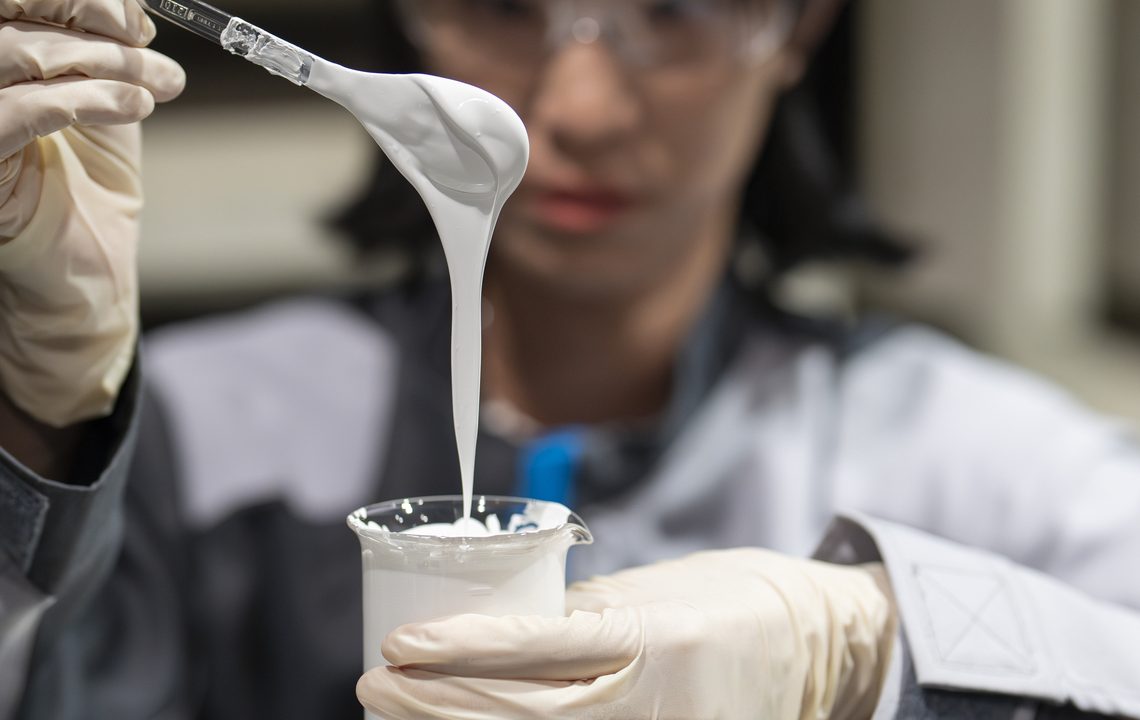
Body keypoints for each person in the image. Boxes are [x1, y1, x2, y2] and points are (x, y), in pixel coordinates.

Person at [0, 0, 1138, 718]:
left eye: (674, 11)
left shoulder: (976, 459)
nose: (578, 107)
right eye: (505, 6)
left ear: (797, 27)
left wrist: (873, 645)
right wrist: (42, 432)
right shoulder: (202, 431)